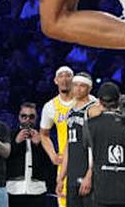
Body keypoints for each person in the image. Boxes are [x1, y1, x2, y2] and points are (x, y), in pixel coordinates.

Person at [84, 82, 125, 207]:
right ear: (118, 101)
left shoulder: (90, 125)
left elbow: (89, 150)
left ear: (99, 101)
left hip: (102, 190)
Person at [58, 73, 100, 207]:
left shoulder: (93, 110)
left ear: (89, 88)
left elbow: (98, 146)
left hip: (87, 174)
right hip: (72, 175)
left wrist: (90, 175)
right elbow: (68, 146)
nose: (77, 89)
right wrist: (61, 177)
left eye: (82, 86)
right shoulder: (70, 112)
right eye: (75, 85)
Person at [43, 66, 80, 205]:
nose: (64, 79)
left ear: (73, 79)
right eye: (61, 76)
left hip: (86, 162)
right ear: (55, 80)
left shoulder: (88, 101)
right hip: (65, 164)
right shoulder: (50, 106)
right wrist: (52, 155)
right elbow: (44, 134)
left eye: (68, 75)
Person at [7, 102, 56, 207]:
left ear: (36, 118)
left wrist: (39, 145)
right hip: (14, 190)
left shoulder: (45, 138)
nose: (27, 120)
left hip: (37, 191)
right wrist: (16, 143)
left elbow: (50, 164)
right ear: (19, 117)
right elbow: (5, 159)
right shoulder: (9, 136)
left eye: (31, 117)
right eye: (24, 116)